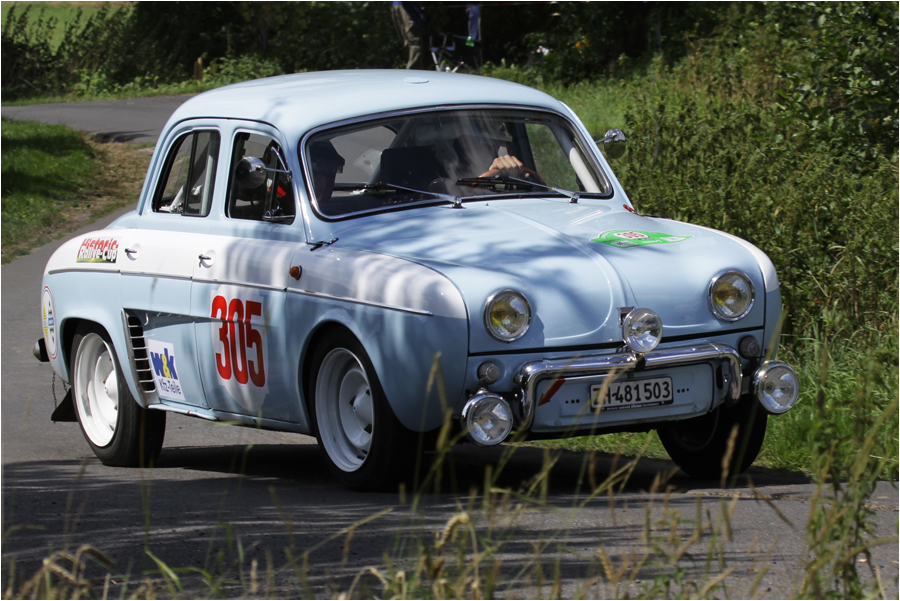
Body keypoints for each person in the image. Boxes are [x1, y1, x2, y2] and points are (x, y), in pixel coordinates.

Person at [391, 2, 426, 70]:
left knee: (410, 41)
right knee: (412, 41)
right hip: (404, 6)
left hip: (401, 5)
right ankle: (413, 71)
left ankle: (412, 70)